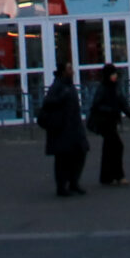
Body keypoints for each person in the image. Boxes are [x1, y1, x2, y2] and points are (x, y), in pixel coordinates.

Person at [86, 65, 130, 186]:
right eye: (113, 74)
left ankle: (106, 176)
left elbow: (124, 105)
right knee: (117, 146)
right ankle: (118, 175)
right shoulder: (103, 88)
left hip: (111, 122)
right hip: (104, 122)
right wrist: (110, 109)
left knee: (109, 148)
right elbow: (96, 105)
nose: (115, 76)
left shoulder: (115, 88)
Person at [36, 68, 88, 196]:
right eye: (69, 69)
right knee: (63, 159)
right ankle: (62, 186)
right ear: (63, 72)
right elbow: (48, 103)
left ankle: (73, 182)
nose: (73, 72)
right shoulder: (58, 86)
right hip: (62, 128)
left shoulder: (69, 86)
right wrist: (62, 97)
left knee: (79, 153)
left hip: (73, 127)